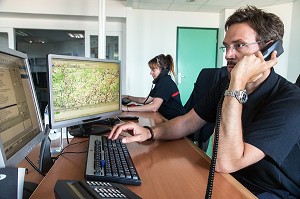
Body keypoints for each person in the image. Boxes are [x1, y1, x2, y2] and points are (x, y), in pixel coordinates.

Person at [109, 6, 300, 198]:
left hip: (272, 191)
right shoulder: (225, 84)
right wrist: (150, 132)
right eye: (226, 46)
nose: (228, 55)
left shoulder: (290, 101)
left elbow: (225, 162)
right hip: (231, 178)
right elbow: (188, 121)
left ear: (269, 50)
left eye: (239, 45)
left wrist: (237, 84)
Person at [122, 54, 186, 120]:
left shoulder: (165, 82)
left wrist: (126, 109)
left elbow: (154, 107)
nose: (151, 73)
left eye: (153, 70)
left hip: (177, 122)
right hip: (171, 119)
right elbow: (145, 100)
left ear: (163, 70)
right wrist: (128, 97)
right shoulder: (161, 81)